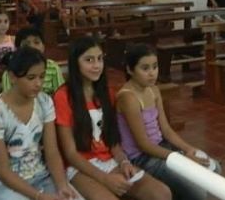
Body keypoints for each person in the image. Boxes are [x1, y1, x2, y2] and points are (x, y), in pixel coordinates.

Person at [53, 37, 171, 200]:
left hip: (110, 161)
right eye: (89, 60)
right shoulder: (63, 96)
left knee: (161, 193)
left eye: (100, 59)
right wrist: (104, 179)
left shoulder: (107, 93)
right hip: (80, 167)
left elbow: (112, 139)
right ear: (75, 63)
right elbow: (70, 153)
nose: (96, 65)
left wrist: (123, 162)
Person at [117, 44, 219, 200]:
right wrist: (179, 158)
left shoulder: (153, 90)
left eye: (155, 67)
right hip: (142, 157)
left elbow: (165, 129)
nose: (152, 73)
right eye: (145, 68)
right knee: (197, 193)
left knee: (214, 168)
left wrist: (188, 149)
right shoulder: (128, 98)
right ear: (130, 70)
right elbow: (143, 144)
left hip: (161, 148)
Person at [0, 47, 80, 200]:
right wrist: (39, 197)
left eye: (42, 76)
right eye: (31, 78)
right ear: (13, 77)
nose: (38, 83)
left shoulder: (45, 102)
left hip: (40, 175)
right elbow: (2, 171)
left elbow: (52, 152)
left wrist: (62, 185)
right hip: (3, 185)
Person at [1, 27, 65, 95]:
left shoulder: (53, 67)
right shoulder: (10, 73)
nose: (32, 47)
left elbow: (61, 94)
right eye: (26, 44)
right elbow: (9, 100)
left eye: (36, 42)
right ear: (17, 49)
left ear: (43, 47)